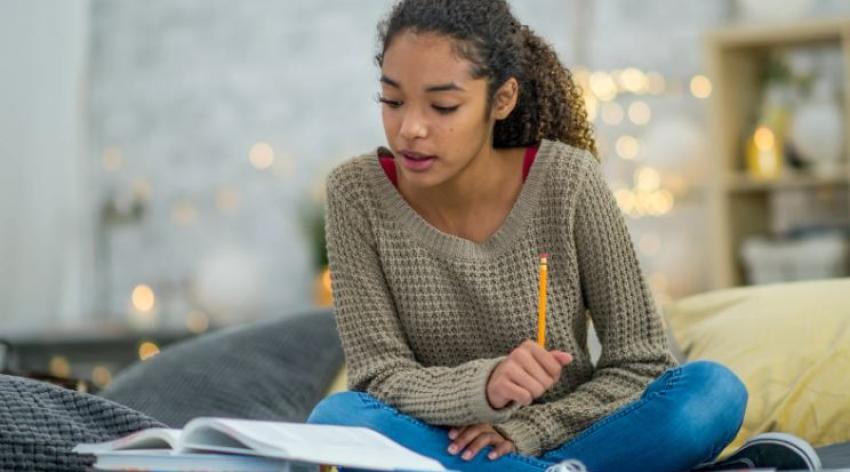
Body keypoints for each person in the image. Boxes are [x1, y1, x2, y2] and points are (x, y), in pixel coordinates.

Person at [307, 1, 819, 471]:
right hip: (441, 442)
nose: (409, 129)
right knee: (339, 418)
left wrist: (526, 431)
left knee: (713, 392)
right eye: (392, 100)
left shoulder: (567, 180)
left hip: (569, 436)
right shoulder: (356, 195)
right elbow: (378, 377)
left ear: (502, 98)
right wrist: (484, 384)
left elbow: (639, 362)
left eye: (442, 108)